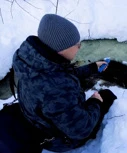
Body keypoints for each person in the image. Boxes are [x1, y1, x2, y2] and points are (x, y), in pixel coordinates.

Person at [9, 14, 117, 152]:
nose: (80, 46)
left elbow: (62, 75)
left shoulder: (34, 62)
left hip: (39, 120)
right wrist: (95, 102)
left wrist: (92, 68)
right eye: (76, 44)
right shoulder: (56, 89)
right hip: (58, 140)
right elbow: (81, 130)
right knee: (106, 96)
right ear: (61, 49)